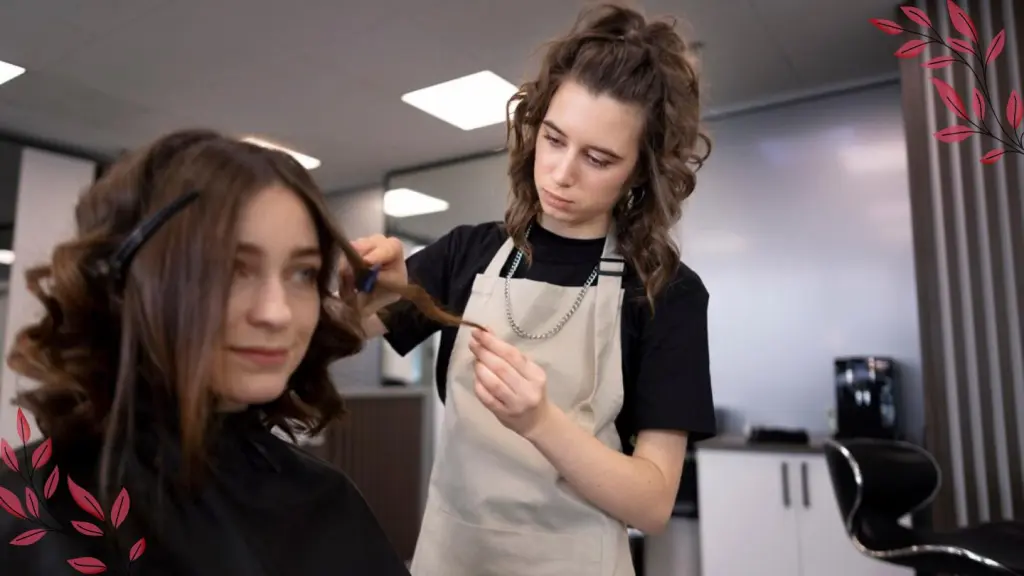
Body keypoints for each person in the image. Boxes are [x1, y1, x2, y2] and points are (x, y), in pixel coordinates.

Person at [351, 3, 717, 575]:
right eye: (553, 139)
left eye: (598, 158)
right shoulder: (466, 254)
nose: (562, 173)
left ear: (639, 173)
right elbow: (337, 331)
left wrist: (540, 422)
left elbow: (651, 503)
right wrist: (361, 284)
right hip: (453, 556)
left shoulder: (665, 294)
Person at [0, 129, 465, 575]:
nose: (277, 313)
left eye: (302, 273)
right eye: (231, 270)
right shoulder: (25, 510)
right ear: (125, 282)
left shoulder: (326, 502)